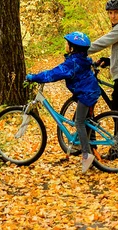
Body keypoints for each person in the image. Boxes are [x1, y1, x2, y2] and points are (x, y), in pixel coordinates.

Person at [26, 32, 101, 174]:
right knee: (82, 120)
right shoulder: (81, 59)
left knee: (79, 122)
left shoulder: (72, 63)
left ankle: (86, 155)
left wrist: (34, 77)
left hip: (86, 94)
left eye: (68, 44)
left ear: (73, 48)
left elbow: (53, 74)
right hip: (90, 91)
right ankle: (83, 145)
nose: (66, 46)